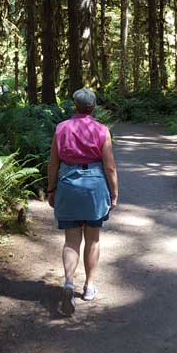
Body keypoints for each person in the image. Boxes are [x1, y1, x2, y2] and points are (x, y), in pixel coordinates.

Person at [47, 87, 118, 316]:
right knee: (93, 239)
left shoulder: (61, 128)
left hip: (68, 184)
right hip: (95, 187)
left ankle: (69, 282)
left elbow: (53, 165)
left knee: (71, 240)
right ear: (93, 106)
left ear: (75, 105)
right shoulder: (101, 130)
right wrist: (114, 193)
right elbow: (109, 166)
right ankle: (88, 287)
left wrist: (51, 190)